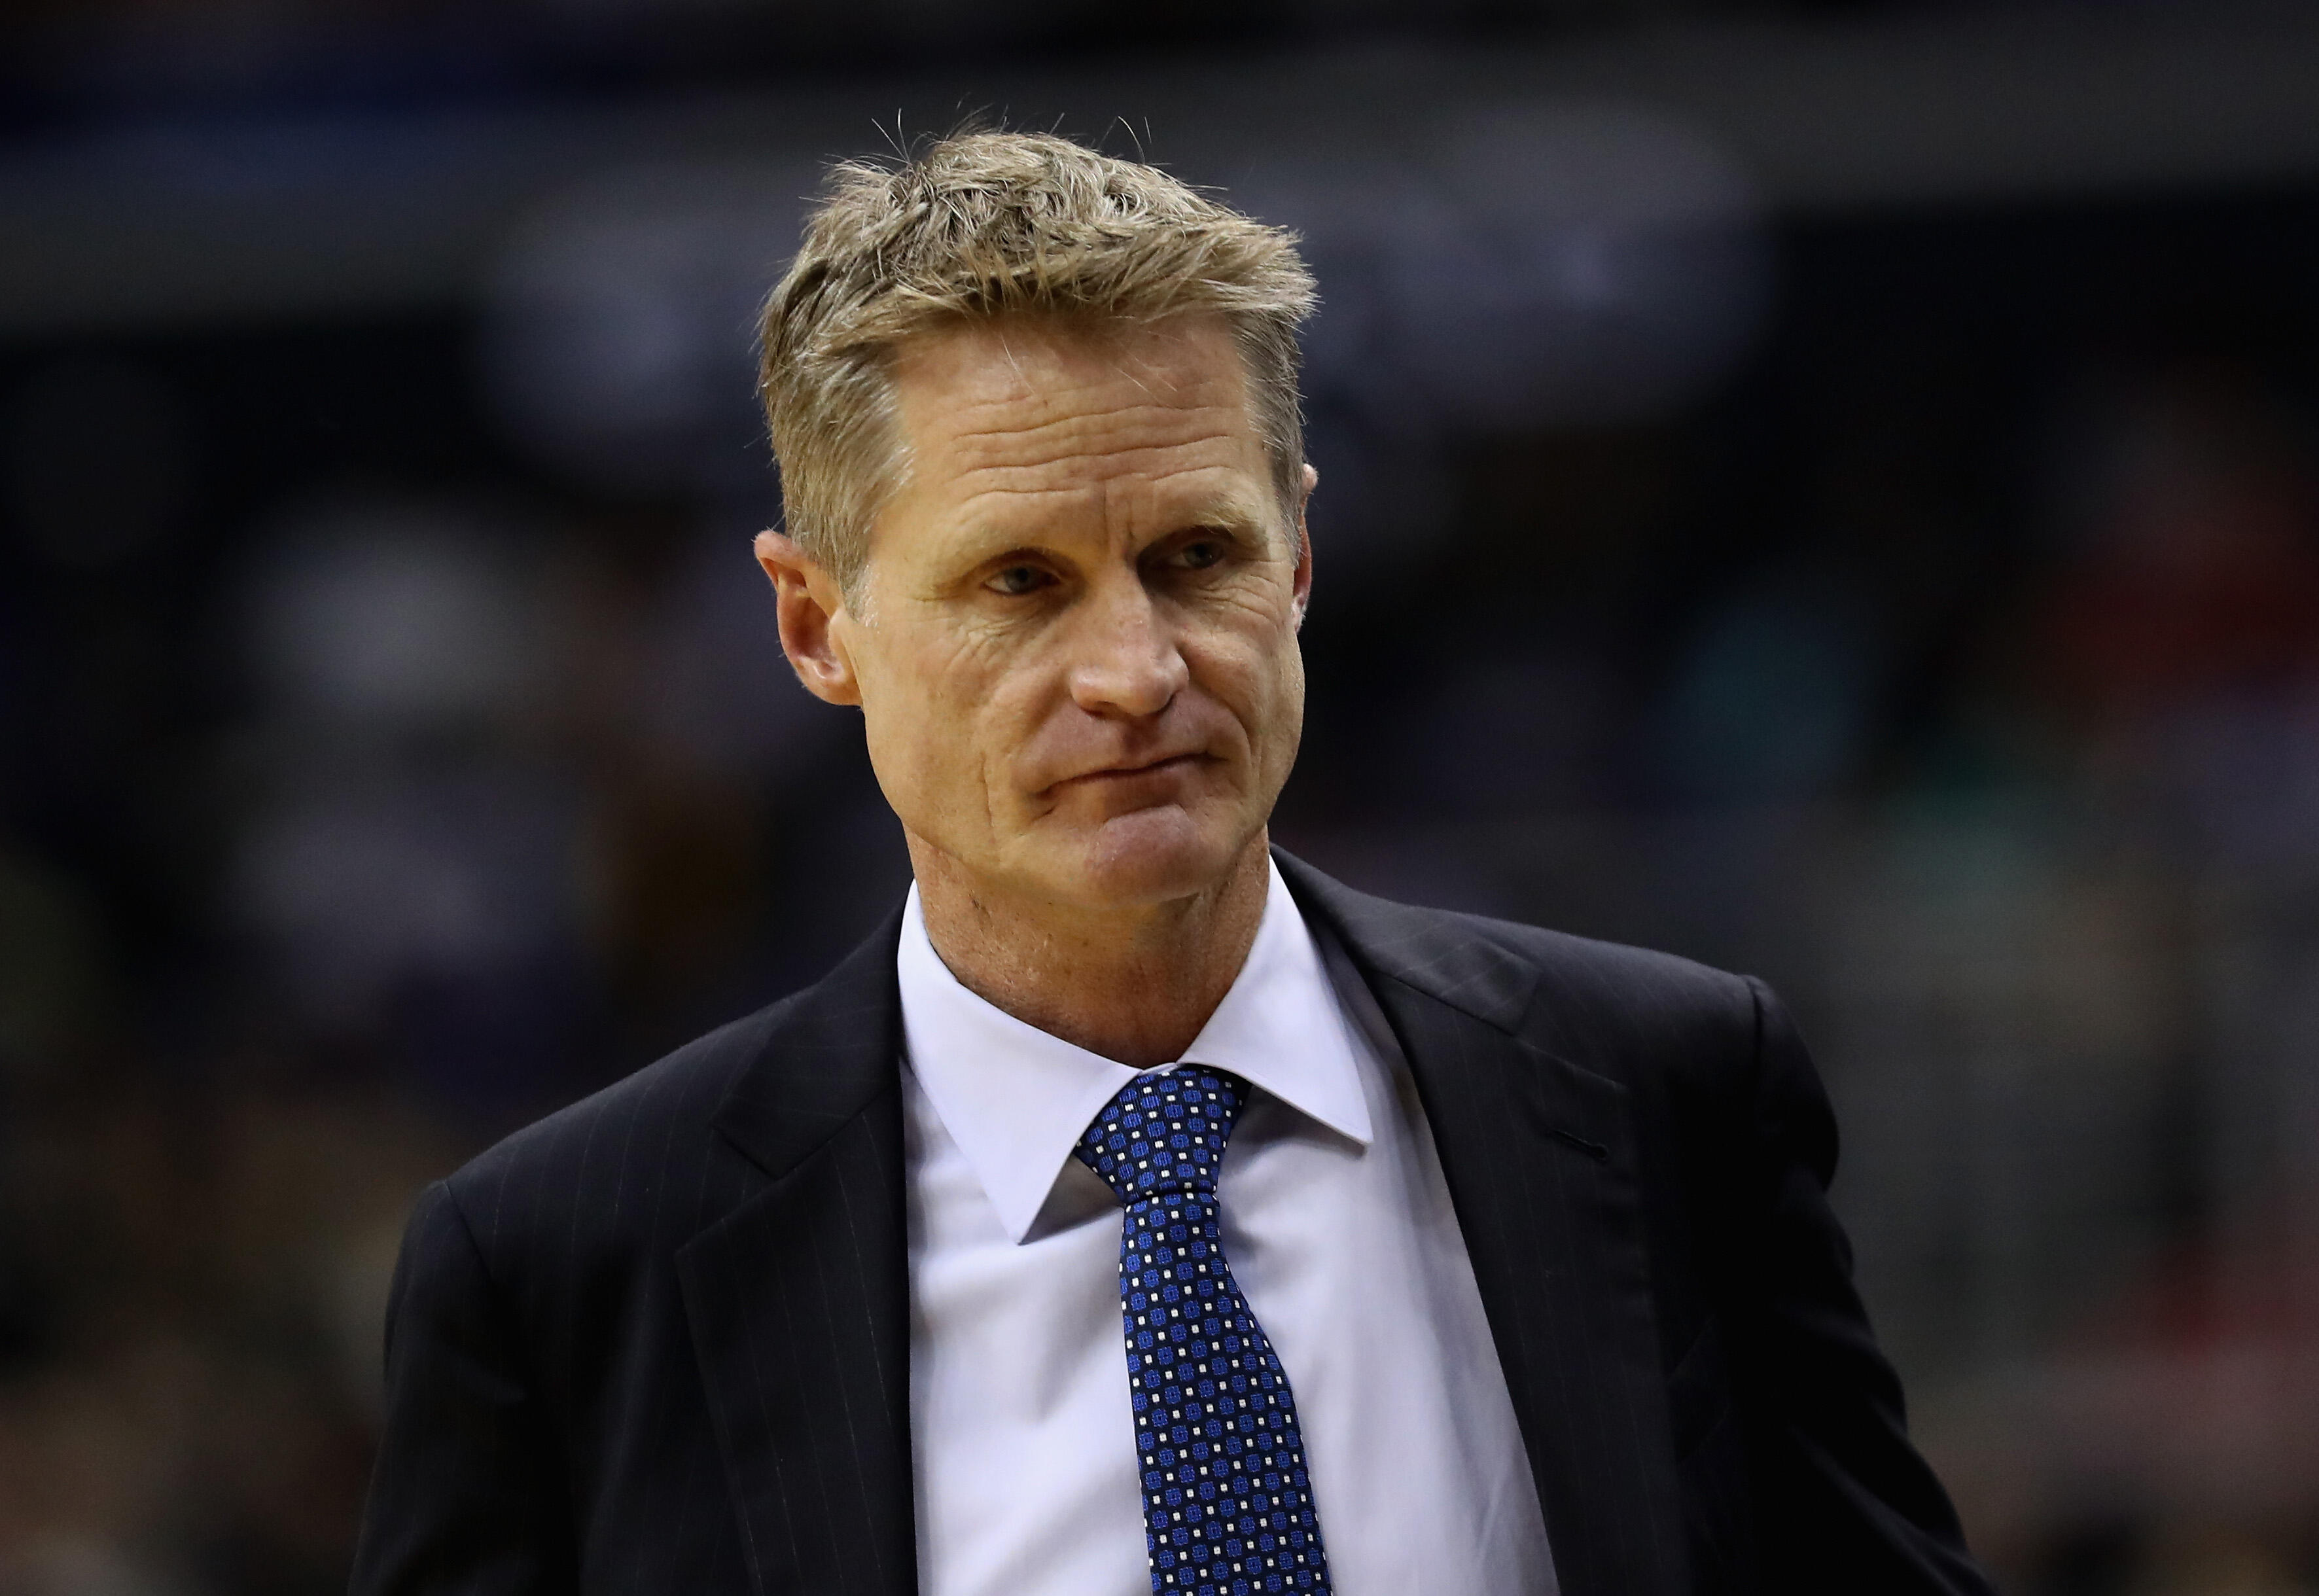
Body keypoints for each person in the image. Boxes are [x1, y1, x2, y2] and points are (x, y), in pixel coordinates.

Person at [349, 131, 1993, 1596]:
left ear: (1297, 554)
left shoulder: (1662, 1092)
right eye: (1018, 582)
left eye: (1193, 554)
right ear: (815, 624)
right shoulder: (564, 1266)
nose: (1132, 667)